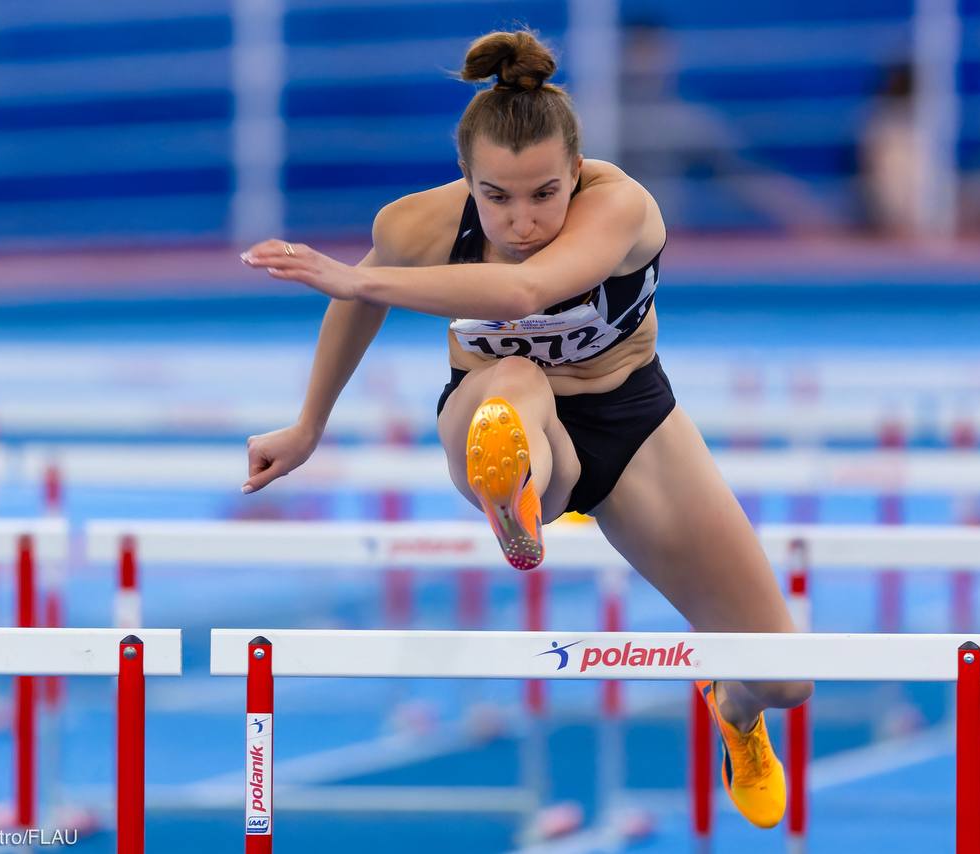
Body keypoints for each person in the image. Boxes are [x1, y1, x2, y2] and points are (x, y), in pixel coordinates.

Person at [239, 29, 811, 829]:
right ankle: (518, 491)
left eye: (544, 193)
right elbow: (356, 306)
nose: (522, 221)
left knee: (786, 679)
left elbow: (525, 291)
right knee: (513, 381)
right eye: (497, 197)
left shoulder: (621, 206)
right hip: (491, 408)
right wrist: (309, 425)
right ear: (465, 178)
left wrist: (357, 277)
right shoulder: (416, 226)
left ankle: (735, 708)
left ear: (576, 170)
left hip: (633, 423)